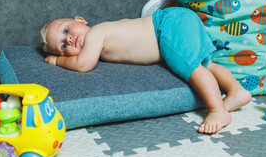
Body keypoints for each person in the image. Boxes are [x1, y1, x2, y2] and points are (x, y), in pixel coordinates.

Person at [40, 7, 252, 134]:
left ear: (80, 20)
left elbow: (83, 65)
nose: (68, 39)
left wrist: (57, 60)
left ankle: (217, 111)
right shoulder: (111, 27)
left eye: (66, 30)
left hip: (166, 27)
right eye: (62, 46)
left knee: (191, 68)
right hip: (176, 18)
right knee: (206, 65)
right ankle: (236, 90)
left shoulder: (96, 33)